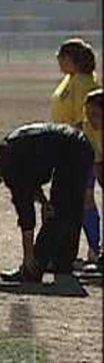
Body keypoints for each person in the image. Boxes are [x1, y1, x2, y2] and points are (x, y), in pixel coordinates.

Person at [0, 124, 94, 283]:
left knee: (58, 213)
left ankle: (33, 268)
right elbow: (31, 179)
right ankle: (63, 262)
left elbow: (26, 216)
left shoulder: (11, 167)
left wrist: (29, 256)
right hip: (80, 146)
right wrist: (45, 202)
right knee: (70, 210)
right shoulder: (11, 152)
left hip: (72, 151)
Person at [51, 38, 100, 261]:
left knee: (85, 198)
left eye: (61, 57)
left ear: (71, 59)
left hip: (81, 149)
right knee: (72, 199)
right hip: (66, 147)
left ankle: (94, 249)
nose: (58, 61)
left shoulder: (83, 83)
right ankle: (72, 248)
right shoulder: (70, 79)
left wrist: (71, 147)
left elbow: (85, 120)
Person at [82, 89, 104, 270]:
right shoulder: (87, 128)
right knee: (86, 200)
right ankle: (95, 250)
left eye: (95, 114)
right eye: (88, 114)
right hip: (95, 162)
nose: (90, 119)